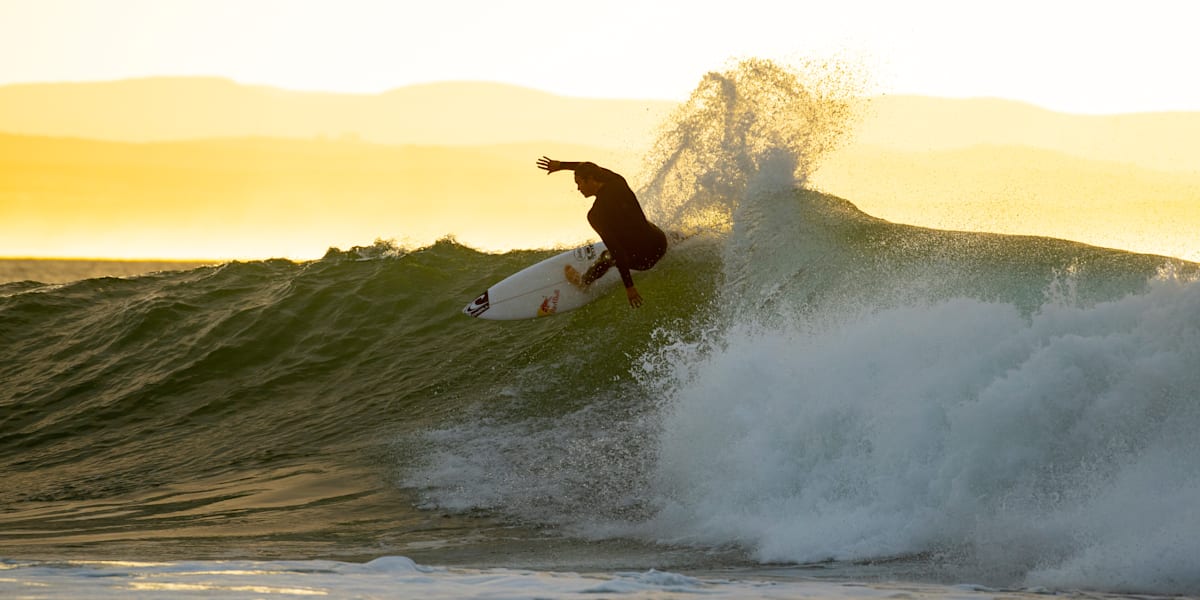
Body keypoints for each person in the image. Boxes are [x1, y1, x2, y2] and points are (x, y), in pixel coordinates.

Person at [537, 156, 668, 308]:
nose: (578, 188)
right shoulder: (618, 181)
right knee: (642, 224)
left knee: (607, 256)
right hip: (660, 243)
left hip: (645, 260)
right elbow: (589, 166)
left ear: (591, 179)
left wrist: (629, 287)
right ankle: (676, 239)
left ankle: (584, 282)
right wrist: (561, 165)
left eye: (579, 182)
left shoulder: (595, 215)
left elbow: (616, 251)